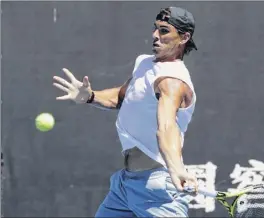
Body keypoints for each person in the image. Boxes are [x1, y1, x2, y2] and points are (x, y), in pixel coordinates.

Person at [53, 6, 198, 217]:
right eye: (155, 28)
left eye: (164, 31)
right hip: (124, 186)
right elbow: (122, 97)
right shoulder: (145, 63)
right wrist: (90, 96)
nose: (155, 35)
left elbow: (167, 126)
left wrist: (176, 167)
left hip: (156, 190)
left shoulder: (172, 80)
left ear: (184, 37)